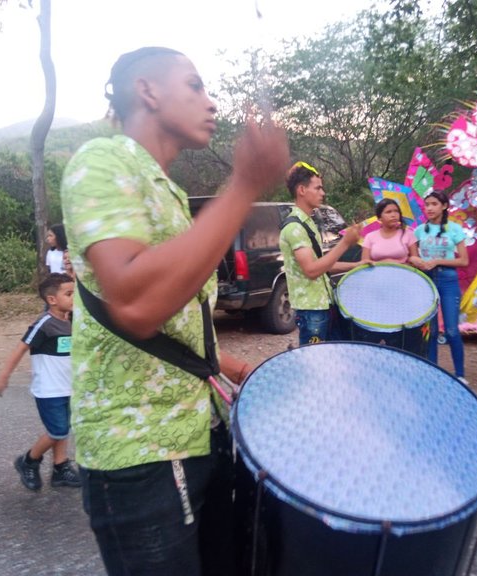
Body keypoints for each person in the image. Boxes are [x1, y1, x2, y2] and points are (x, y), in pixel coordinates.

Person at [60, 46, 288, 575]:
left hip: (197, 431)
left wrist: (226, 364)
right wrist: (246, 185)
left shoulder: (169, 190)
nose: (211, 103)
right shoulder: (101, 161)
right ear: (148, 90)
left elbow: (175, 316)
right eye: (195, 86)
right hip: (139, 452)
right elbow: (137, 305)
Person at [0, 273, 81, 491]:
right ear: (52, 300)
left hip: (68, 387)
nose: (74, 298)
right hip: (49, 390)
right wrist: (4, 375)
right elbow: (22, 347)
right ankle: (29, 461)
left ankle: (60, 468)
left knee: (64, 427)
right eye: (69, 294)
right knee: (57, 431)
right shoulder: (45, 324)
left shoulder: (71, 321)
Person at [279, 161, 363, 345]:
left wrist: (356, 266)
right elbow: (311, 270)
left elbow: (323, 265)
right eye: (318, 188)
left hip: (322, 305)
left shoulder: (308, 222)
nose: (323, 193)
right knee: (314, 365)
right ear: (302, 190)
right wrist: (345, 243)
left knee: (333, 358)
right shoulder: (294, 227)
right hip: (311, 310)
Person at [412, 190, 470, 383]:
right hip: (426, 281)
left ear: (444, 206)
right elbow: (413, 256)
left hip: (448, 281)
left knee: (452, 330)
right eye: (427, 204)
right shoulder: (419, 231)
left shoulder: (454, 229)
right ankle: (433, 374)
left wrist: (437, 260)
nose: (429, 208)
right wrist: (420, 262)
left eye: (434, 204)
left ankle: (460, 376)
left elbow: (464, 260)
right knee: (431, 331)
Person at [361, 198, 418, 264]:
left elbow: (415, 262)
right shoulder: (370, 237)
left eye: (396, 211)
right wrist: (383, 264)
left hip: (403, 273)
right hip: (377, 273)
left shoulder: (408, 234)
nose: (393, 215)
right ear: (379, 217)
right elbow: (364, 264)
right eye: (388, 212)